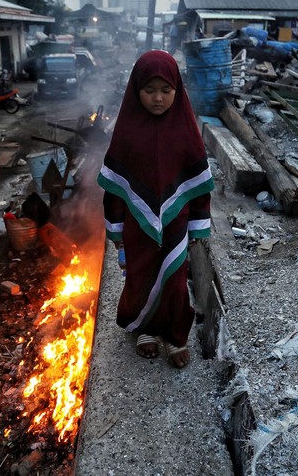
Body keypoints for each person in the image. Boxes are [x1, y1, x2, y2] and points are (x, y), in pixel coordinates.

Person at [97, 50, 214, 369]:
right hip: (137, 226)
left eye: (166, 90)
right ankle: (144, 329)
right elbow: (115, 188)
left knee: (175, 283)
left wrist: (197, 229)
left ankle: (176, 335)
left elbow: (199, 186)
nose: (158, 98)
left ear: (178, 89)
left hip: (177, 223)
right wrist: (116, 232)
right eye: (149, 91)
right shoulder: (127, 133)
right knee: (139, 277)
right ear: (136, 91)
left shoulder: (187, 132)